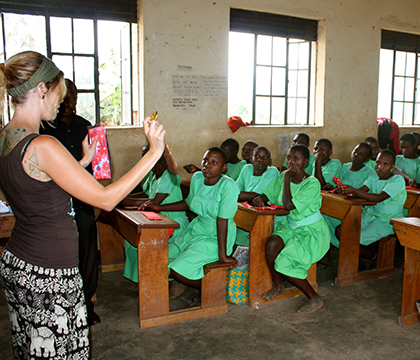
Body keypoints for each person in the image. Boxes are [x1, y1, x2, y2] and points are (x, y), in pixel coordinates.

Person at [0, 51, 165, 359]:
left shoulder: (6, 137)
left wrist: (81, 162)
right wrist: (153, 153)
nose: (60, 104)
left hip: (18, 262)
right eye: (57, 95)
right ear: (40, 90)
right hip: (48, 274)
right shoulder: (44, 145)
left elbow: (34, 186)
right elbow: (106, 198)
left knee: (32, 350)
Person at [40, 78, 101, 326]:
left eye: (72, 97)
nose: (68, 103)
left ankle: (87, 306)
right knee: (64, 260)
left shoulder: (86, 127)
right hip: (56, 207)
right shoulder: (44, 131)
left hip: (83, 204)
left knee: (88, 259)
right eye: (64, 97)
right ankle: (63, 308)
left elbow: (98, 168)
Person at [142, 147, 240, 301]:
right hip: (196, 229)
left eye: (214, 162)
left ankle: (212, 289)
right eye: (205, 160)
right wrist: (159, 207)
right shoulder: (197, 178)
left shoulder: (228, 186)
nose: (207, 165)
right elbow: (189, 203)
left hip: (216, 236)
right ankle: (187, 282)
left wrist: (223, 255)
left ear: (223, 167)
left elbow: (223, 221)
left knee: (177, 271)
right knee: (162, 258)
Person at [252, 145, 330, 314]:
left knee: (283, 263)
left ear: (306, 162)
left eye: (296, 159)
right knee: (271, 244)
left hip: (311, 232)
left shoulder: (312, 183)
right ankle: (279, 285)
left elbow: (289, 205)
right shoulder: (283, 177)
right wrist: (260, 199)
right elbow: (268, 194)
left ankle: (314, 298)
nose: (291, 162)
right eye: (288, 158)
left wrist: (287, 178)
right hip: (291, 226)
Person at [123, 151, 189, 283]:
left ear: (166, 161)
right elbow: (144, 195)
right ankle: (141, 279)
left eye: (159, 160)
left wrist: (123, 200)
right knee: (130, 241)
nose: (154, 164)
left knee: (145, 245)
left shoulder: (170, 176)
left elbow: (154, 203)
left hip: (174, 225)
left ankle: (154, 281)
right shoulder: (152, 175)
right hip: (157, 221)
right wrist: (124, 197)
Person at [336, 150, 406, 265]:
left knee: (352, 238)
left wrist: (354, 190)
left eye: (385, 164)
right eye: (378, 163)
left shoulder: (397, 180)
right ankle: (358, 259)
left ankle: (375, 257)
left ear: (393, 166)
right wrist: (345, 190)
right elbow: (361, 191)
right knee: (340, 230)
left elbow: (379, 197)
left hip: (387, 220)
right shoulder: (373, 175)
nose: (380, 167)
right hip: (370, 215)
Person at [322, 143, 375, 261]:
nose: (356, 155)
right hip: (341, 205)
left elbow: (365, 193)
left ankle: (358, 255)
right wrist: (335, 188)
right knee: (323, 216)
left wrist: (350, 192)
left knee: (343, 228)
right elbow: (339, 184)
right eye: (355, 151)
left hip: (358, 210)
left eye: (361, 154)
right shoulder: (345, 167)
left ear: (366, 159)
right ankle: (327, 253)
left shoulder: (370, 173)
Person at [235, 146, 280, 246]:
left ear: (270, 161)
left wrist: (237, 195)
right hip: (247, 212)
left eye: (264, 157)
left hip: (266, 217)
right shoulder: (246, 168)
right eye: (257, 156)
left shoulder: (272, 171)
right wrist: (237, 194)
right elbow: (236, 189)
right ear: (251, 158)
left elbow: (256, 195)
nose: (260, 160)